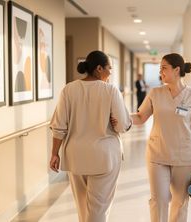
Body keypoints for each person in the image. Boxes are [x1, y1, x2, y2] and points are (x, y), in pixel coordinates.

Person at [49, 50, 132, 222]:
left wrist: (54, 153)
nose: (111, 72)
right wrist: (115, 121)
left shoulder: (68, 90)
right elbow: (123, 125)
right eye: (109, 68)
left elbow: (59, 126)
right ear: (99, 68)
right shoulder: (110, 90)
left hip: (76, 155)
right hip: (104, 156)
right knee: (98, 209)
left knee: (82, 207)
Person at [131, 53, 191, 222]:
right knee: (158, 200)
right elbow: (140, 117)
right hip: (157, 154)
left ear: (177, 70)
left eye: (164, 68)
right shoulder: (155, 93)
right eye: (160, 69)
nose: (161, 72)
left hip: (184, 157)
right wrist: (121, 116)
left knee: (180, 202)